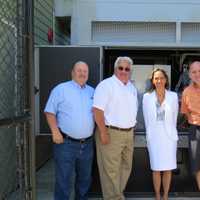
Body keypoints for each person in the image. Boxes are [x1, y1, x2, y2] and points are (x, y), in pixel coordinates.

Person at [44, 61, 95, 200]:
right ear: (72, 72)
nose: (82, 73)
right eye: (79, 70)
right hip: (65, 144)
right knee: (63, 180)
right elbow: (49, 112)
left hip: (87, 145)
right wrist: (55, 131)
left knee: (84, 180)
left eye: (85, 71)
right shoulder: (61, 89)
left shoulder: (92, 91)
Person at [93, 56, 138, 200]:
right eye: (121, 68)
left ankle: (117, 194)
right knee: (110, 171)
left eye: (127, 69)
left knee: (126, 167)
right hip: (111, 132)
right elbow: (97, 110)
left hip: (128, 134)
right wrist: (103, 132)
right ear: (115, 69)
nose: (124, 71)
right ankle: (114, 197)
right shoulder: (106, 85)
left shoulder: (131, 87)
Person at [142, 68, 178, 200]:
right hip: (154, 136)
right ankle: (157, 195)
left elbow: (174, 117)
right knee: (156, 168)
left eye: (161, 78)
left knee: (168, 168)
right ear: (152, 81)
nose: (159, 81)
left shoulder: (173, 96)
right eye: (156, 78)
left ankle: (166, 195)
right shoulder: (146, 97)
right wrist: (149, 135)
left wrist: (172, 133)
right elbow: (146, 119)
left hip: (169, 137)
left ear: (166, 80)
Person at [181, 61, 200, 190]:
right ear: (189, 74)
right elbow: (185, 112)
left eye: (199, 71)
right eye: (194, 72)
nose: (197, 74)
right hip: (195, 130)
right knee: (197, 165)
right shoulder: (186, 91)